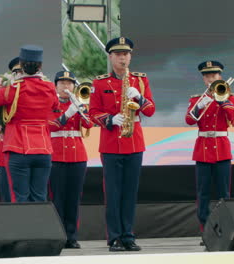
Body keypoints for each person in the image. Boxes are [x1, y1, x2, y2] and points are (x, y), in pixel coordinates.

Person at [0, 45, 59, 202]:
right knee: (40, 197)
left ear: (21, 65)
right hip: (43, 149)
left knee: (19, 198)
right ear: (40, 66)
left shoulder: (14, 88)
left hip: (19, 148)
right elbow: (55, 107)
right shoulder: (50, 87)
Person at [89, 37, 155, 252]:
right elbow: (92, 113)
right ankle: (114, 237)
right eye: (118, 54)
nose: (122, 58)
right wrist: (109, 119)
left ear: (130, 56)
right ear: (110, 56)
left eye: (125, 54)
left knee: (130, 192)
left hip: (134, 141)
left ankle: (128, 235)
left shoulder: (140, 81)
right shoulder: (99, 83)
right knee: (113, 192)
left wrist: (140, 98)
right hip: (110, 143)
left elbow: (151, 110)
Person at [185, 61, 234, 233]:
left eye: (214, 75)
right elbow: (189, 120)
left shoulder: (231, 98)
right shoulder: (196, 99)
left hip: (222, 148)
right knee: (203, 194)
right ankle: (206, 230)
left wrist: (223, 101)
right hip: (203, 150)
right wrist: (200, 105)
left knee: (224, 194)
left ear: (220, 77)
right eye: (207, 76)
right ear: (203, 79)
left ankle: (226, 229)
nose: (210, 78)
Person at [48, 70, 93, 249]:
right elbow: (50, 126)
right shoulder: (51, 103)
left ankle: (71, 236)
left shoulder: (79, 103)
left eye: (69, 83)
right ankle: (58, 236)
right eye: (62, 83)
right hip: (56, 155)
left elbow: (89, 124)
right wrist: (67, 114)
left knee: (73, 198)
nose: (66, 86)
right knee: (57, 198)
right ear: (56, 85)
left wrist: (81, 108)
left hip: (77, 155)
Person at [0, 57, 23, 202]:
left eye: (22, 71)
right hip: (7, 147)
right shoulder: (4, 92)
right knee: (8, 196)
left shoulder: (37, 90)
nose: (19, 75)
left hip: (29, 147)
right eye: (16, 72)